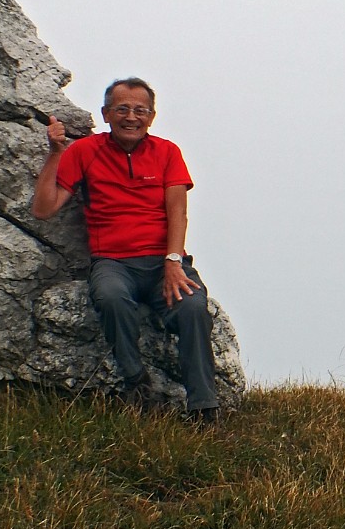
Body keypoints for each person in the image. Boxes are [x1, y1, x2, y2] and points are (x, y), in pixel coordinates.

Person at [31, 77, 220, 425]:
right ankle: (138, 385)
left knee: (193, 307)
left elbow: (177, 212)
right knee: (111, 297)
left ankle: (204, 408)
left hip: (163, 260)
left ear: (151, 116)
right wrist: (56, 153)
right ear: (106, 113)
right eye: (122, 109)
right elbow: (43, 209)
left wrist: (173, 262)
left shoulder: (167, 152)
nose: (131, 117)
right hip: (113, 261)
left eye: (140, 110)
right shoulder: (84, 151)